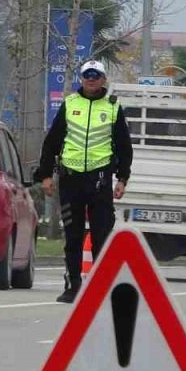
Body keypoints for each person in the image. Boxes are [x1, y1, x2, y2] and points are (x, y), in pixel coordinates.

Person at [34, 59, 133, 303]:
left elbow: (124, 146)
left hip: (99, 181)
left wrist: (122, 178)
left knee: (102, 236)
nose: (91, 79)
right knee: (73, 236)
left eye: (96, 75)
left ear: (103, 80)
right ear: (81, 78)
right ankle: (72, 285)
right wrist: (45, 175)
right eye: (87, 75)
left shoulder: (112, 107)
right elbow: (52, 142)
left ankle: (101, 287)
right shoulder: (69, 104)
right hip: (71, 180)